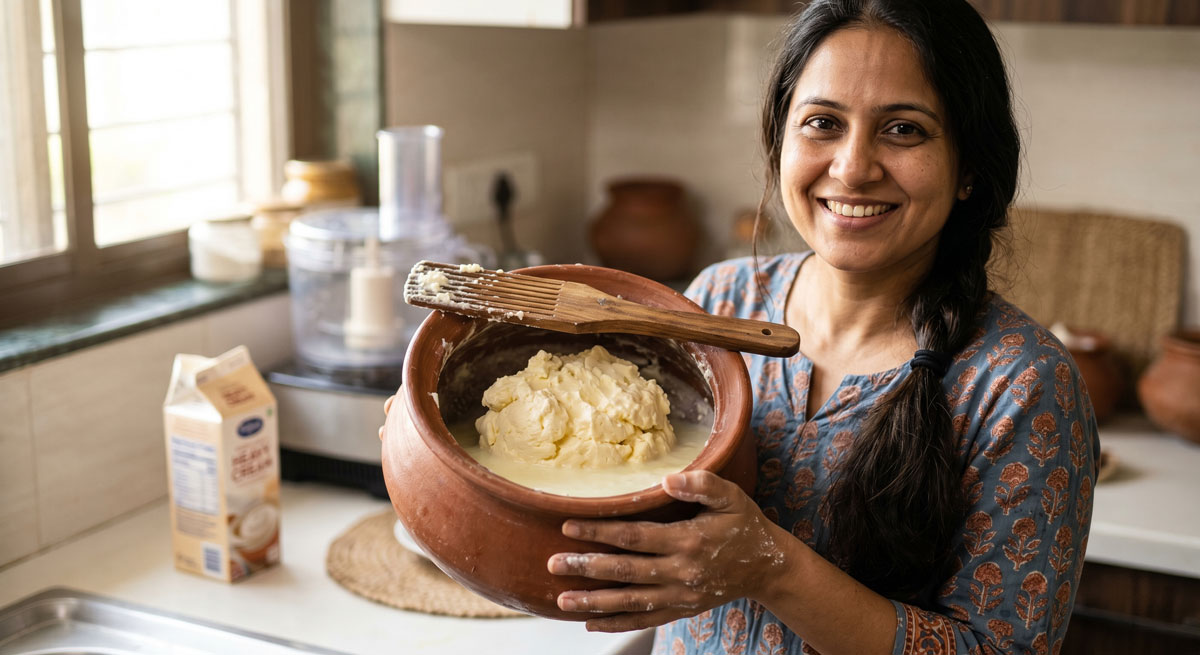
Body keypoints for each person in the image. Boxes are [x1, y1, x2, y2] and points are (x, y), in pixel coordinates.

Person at [543, 1, 1100, 654]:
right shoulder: (720, 302)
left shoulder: (1021, 386)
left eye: (904, 129)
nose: (853, 165)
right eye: (823, 123)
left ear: (969, 168)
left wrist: (771, 567)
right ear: (780, 141)